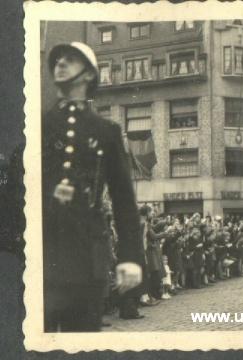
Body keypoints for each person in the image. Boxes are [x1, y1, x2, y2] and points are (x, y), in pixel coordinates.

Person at [42, 42, 144, 332]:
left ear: (88, 75)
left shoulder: (106, 132)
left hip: (87, 257)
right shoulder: (37, 124)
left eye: (70, 60)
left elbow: (124, 199)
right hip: (42, 255)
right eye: (58, 60)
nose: (60, 63)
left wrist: (130, 257)